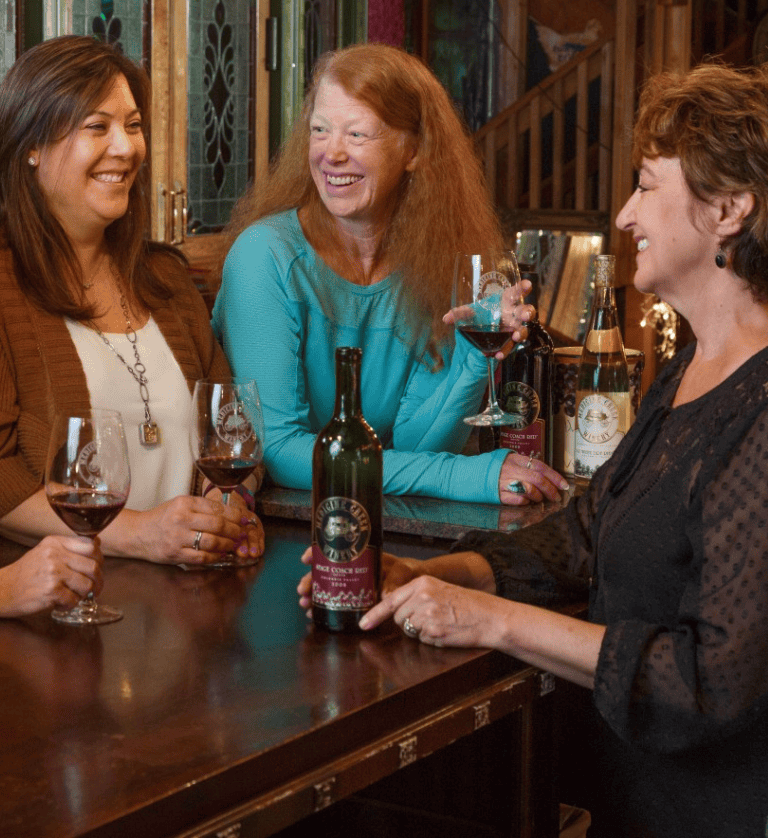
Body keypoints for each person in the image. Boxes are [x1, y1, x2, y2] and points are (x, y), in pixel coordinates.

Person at [303, 63, 768, 837]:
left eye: (647, 186)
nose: (624, 214)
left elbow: (706, 685)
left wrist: (489, 620)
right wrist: (432, 575)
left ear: (728, 210)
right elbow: (584, 535)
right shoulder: (692, 367)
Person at [213, 43, 568, 505]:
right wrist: (463, 476)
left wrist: (475, 352)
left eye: (357, 135)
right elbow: (277, 451)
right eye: (319, 130)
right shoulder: (264, 257)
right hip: (282, 526)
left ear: (415, 150)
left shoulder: (433, 263)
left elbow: (418, 445)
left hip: (381, 518)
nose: (331, 153)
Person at [0, 35, 264, 572]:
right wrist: (139, 534)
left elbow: (234, 432)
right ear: (31, 146)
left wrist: (225, 505)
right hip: (65, 615)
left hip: (188, 613)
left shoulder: (165, 277)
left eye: (134, 125)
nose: (125, 148)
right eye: (97, 127)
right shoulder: (6, 291)